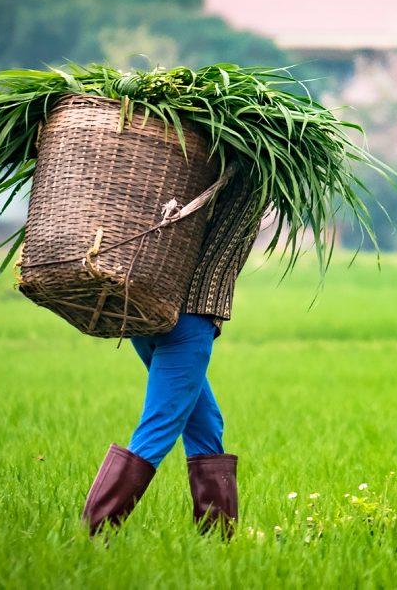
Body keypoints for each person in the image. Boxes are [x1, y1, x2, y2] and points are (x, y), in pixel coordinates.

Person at [80, 169, 262, 539]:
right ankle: (92, 533)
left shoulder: (195, 176)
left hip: (148, 313)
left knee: (207, 424)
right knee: (159, 426)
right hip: (190, 320)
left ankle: (218, 537)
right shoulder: (250, 179)